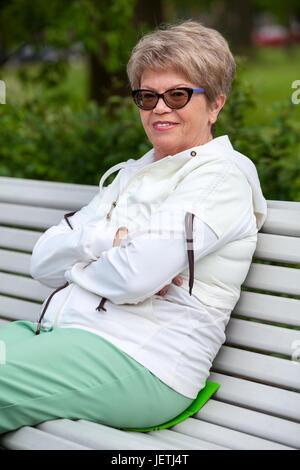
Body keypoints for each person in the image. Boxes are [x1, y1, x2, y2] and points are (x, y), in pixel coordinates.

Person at [0, 20, 267, 435]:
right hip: (63, 336)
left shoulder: (220, 178)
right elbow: (42, 261)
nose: (160, 108)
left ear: (215, 103)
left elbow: (134, 276)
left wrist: (85, 260)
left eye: (178, 94)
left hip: (141, 361)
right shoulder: (133, 174)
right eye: (147, 96)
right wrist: (110, 241)